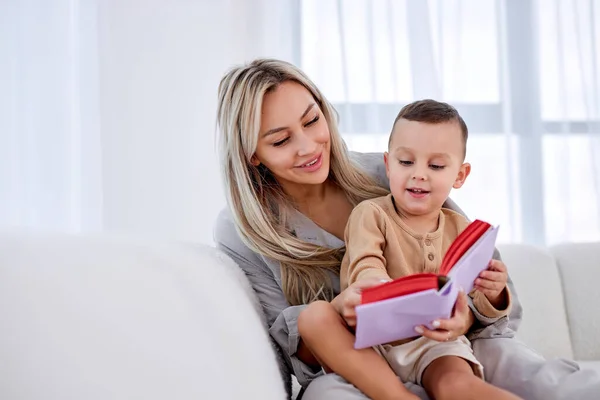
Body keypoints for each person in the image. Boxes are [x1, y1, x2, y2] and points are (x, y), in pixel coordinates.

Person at [213, 58, 600, 399]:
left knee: (549, 383)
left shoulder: (394, 173)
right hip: (353, 367)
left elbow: (474, 276)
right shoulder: (242, 230)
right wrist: (339, 312)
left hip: (441, 345)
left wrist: (462, 317)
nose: (308, 147)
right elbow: (291, 354)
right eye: (280, 140)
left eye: (312, 120)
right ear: (252, 154)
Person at [297, 99, 519, 400]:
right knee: (313, 318)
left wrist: (493, 291)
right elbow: (366, 263)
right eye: (406, 162)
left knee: (458, 384)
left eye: (436, 165)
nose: (419, 174)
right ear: (388, 165)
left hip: (434, 341)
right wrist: (377, 289)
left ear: (460, 175)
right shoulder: (371, 213)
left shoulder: (461, 229)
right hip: (368, 342)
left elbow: (473, 300)